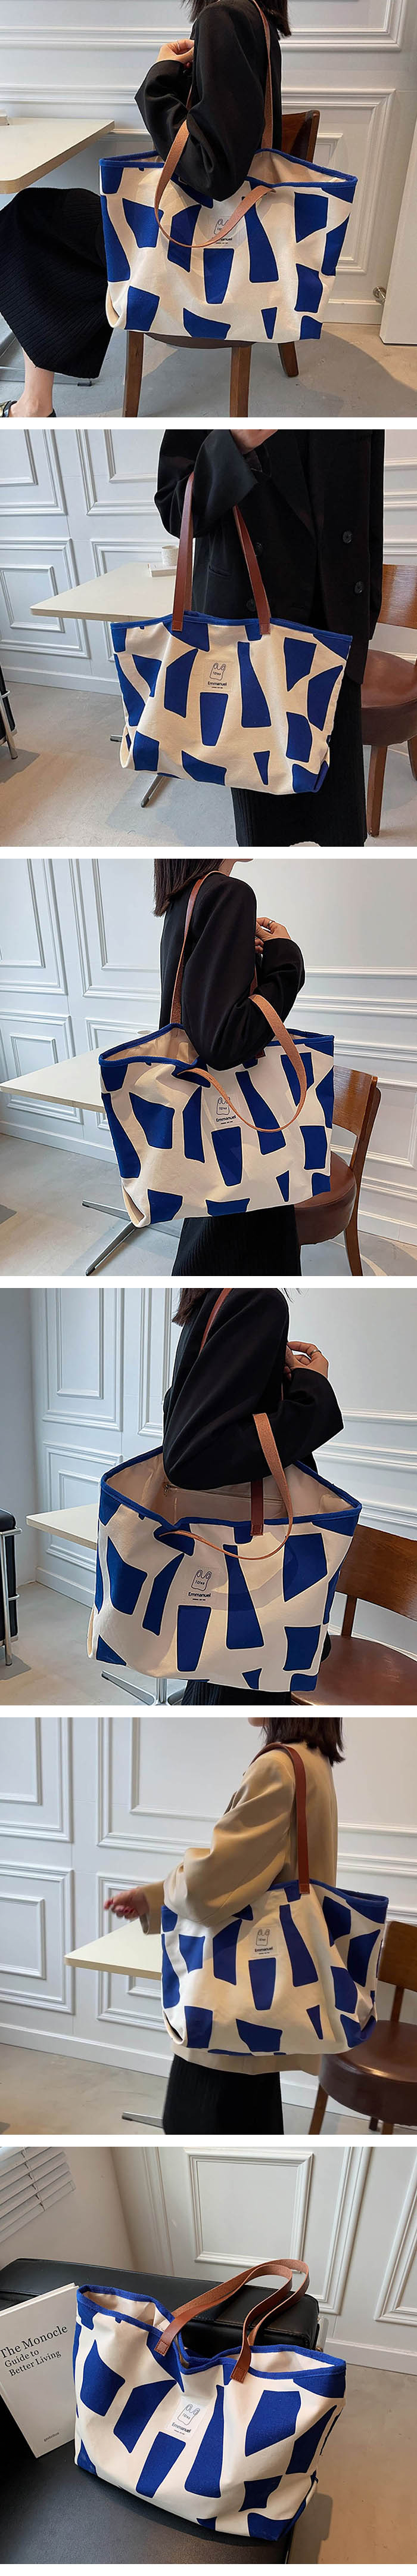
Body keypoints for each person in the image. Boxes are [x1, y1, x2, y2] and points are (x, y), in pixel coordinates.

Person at [0, 0, 288, 418]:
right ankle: (38, 398)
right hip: (229, 235)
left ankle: (34, 406)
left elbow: (213, 171)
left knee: (26, 220)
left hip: (199, 246)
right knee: (43, 216)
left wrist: (160, 78)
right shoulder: (258, 18)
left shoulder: (223, 17)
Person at [104, 1714, 344, 2136]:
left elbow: (209, 1889)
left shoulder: (278, 1767)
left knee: (196, 2122)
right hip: (264, 1996)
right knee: (252, 2121)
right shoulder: (314, 1762)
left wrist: (164, 1891)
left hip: (230, 2002)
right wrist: (152, 1898)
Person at [155, 427, 385, 847]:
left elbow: (368, 507)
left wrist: (366, 608)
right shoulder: (220, 413)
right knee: (265, 831)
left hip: (335, 630)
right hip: (247, 641)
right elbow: (177, 509)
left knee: (343, 827)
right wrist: (233, 446)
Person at [162, 1284, 344, 1702]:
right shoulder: (256, 1297)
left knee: (222, 1675)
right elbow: (192, 1454)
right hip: (253, 1587)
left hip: (226, 1569)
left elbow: (186, 1415)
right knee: (250, 1682)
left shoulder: (215, 1299)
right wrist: (312, 1388)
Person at [155, 853, 305, 1277]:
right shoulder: (228, 894)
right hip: (242, 1140)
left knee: (208, 1246)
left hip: (206, 1126)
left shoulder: (184, 898)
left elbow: (203, 1019)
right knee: (247, 1256)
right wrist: (285, 960)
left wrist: (249, 965)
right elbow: (224, 1043)